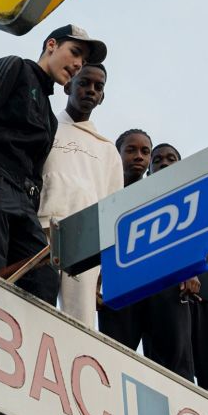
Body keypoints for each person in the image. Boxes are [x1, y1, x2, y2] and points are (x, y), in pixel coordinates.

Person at [0, 24, 107, 304]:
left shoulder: (50, 117)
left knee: (44, 279)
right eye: (74, 53)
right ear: (51, 45)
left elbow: (36, 170)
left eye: (83, 61)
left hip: (24, 202)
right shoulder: (15, 67)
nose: (77, 65)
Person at [97, 130, 195, 381]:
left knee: (173, 364)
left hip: (160, 284)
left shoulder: (163, 195)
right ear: (117, 155)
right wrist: (94, 281)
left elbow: (183, 236)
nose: (139, 157)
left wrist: (190, 270)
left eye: (144, 151)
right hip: (118, 286)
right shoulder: (103, 192)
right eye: (131, 150)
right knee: (113, 355)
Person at [150, 143, 208, 404]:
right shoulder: (146, 210)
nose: (164, 164)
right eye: (157, 160)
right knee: (175, 376)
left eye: (171, 159)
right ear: (150, 171)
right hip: (170, 299)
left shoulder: (201, 206)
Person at [37, 63, 122, 326]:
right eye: (84, 83)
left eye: (98, 87)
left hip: (85, 240)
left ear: (103, 97)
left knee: (81, 319)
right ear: (68, 86)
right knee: (36, 305)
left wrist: (106, 263)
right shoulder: (45, 125)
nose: (91, 90)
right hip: (42, 229)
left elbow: (112, 206)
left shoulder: (107, 149)